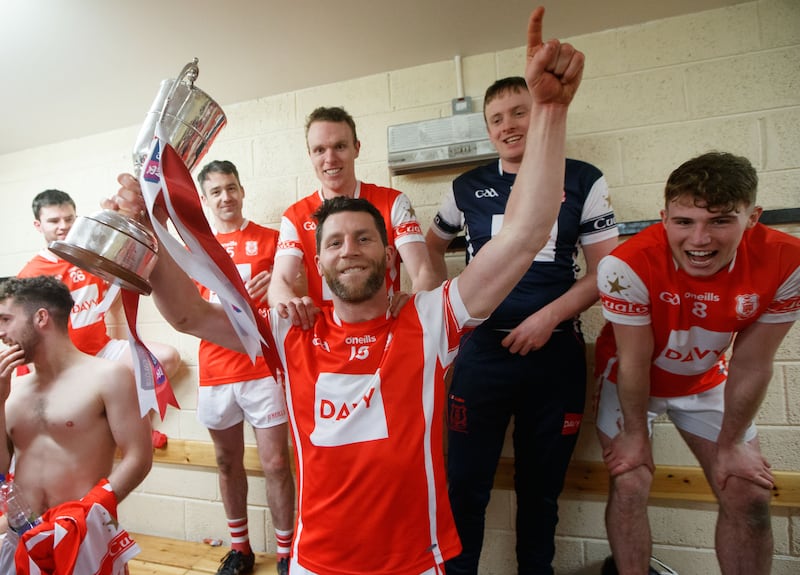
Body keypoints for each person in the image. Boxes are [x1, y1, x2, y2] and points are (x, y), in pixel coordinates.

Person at [112, 6, 583, 573]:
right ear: (317, 258)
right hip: (315, 562)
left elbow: (527, 231)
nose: (349, 248)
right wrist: (148, 229)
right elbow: (187, 316)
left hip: (417, 562)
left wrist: (551, 111)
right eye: (334, 242)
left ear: (389, 254)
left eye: (364, 238)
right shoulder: (291, 334)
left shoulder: (432, 321)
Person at [425, 75, 618, 574]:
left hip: (553, 357)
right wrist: (437, 310)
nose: (508, 126)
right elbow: (429, 247)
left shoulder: (583, 178)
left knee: (541, 494)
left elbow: (608, 272)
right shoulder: (465, 186)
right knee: (464, 489)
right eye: (497, 118)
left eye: (519, 112)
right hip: (481, 358)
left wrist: (547, 317)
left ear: (542, 115)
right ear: (487, 129)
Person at [593, 151, 800, 575]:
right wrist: (634, 435)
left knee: (748, 493)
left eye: (720, 220)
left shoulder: (788, 260)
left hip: (706, 379)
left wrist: (732, 442)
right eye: (684, 222)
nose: (699, 239)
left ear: (753, 217)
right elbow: (634, 361)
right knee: (630, 481)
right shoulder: (625, 263)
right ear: (664, 216)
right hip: (633, 378)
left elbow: (753, 363)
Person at [0, 275, 153, 573]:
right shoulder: (13, 391)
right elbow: (1, 469)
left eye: (5, 319)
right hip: (22, 537)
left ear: (41, 318)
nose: (1, 332)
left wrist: (89, 512)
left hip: (82, 535)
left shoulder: (109, 377)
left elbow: (139, 457)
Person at [196, 160, 295, 575]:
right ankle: (241, 549)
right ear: (203, 199)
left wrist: (275, 283)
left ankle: (289, 553)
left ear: (242, 190)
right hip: (215, 372)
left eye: (231, 187)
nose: (225, 197)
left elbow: (293, 295)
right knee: (225, 461)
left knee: (275, 463)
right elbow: (186, 309)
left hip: (262, 368)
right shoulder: (194, 250)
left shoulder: (271, 240)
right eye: (216, 191)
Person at [267, 105, 438, 327]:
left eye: (339, 146)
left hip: (385, 328)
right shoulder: (295, 215)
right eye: (319, 150)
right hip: (327, 337)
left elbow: (424, 272)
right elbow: (279, 281)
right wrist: (291, 307)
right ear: (310, 155)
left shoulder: (393, 201)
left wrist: (417, 307)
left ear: (356, 148)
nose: (330, 158)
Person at [17, 189, 181, 376]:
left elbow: (117, 287)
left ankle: (116, 403)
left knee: (166, 358)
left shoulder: (92, 257)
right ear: (38, 225)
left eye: (69, 219)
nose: (63, 226)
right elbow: (24, 335)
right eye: (54, 221)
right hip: (58, 362)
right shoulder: (30, 275)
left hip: (100, 350)